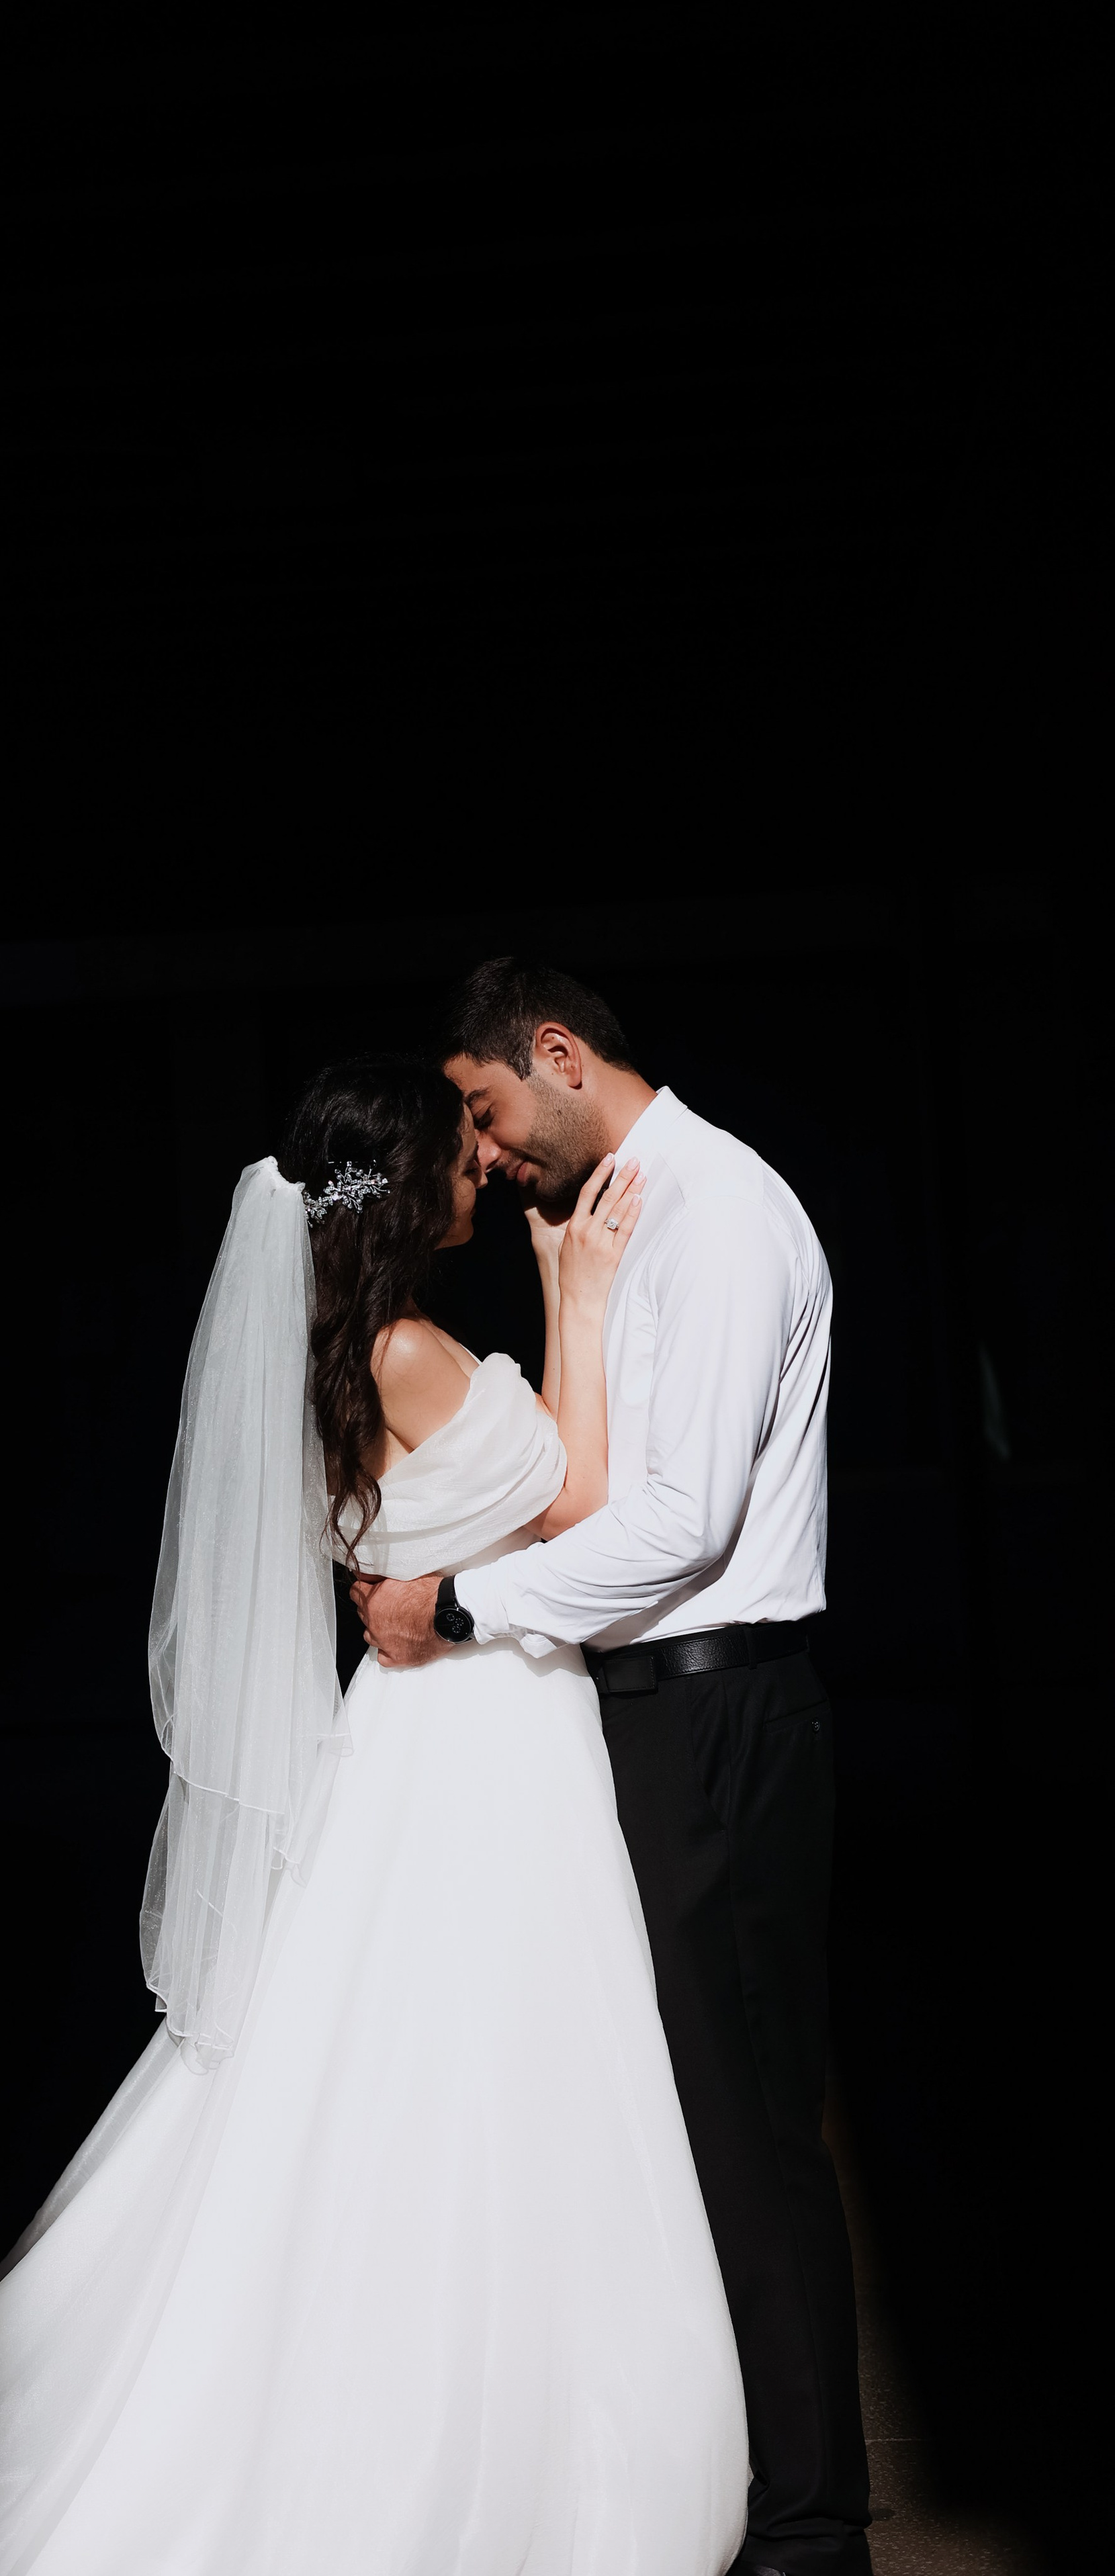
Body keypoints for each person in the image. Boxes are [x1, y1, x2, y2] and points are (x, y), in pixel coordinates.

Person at [0, 1053, 748, 2576]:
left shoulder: (321, 1353)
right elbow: (581, 1506)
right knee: (500, 2056)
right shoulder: (412, 1352)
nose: (481, 1175)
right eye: (458, 1158)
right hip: (479, 1746)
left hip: (415, 1733)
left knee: (413, 2052)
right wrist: (583, 1294)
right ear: (397, 1188)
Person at [356, 963, 868, 2576]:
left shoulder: (716, 1214)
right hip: (651, 1711)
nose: (487, 1150)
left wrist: (459, 1598)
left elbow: (678, 1525)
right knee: (685, 2120)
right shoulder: (632, 1213)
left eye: (491, 1109)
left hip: (718, 1711)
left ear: (559, 1058)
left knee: (751, 2128)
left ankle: (809, 2530)